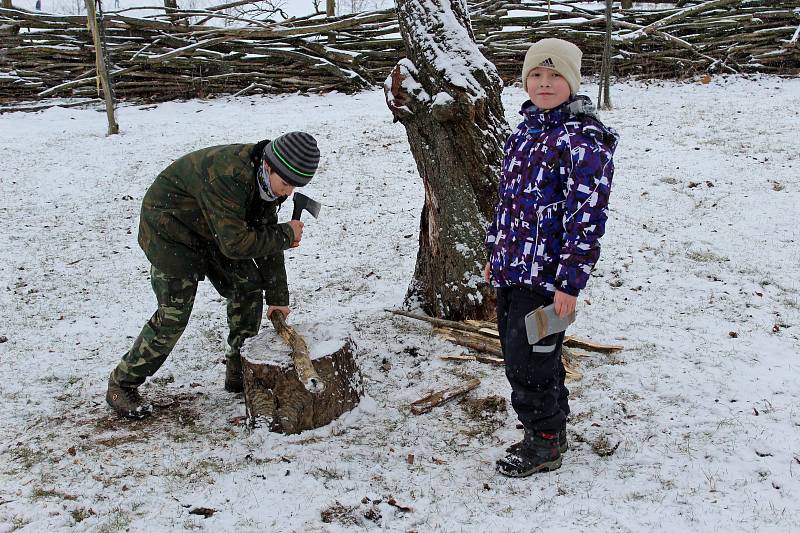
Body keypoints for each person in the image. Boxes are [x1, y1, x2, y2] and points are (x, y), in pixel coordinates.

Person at [106, 132, 320, 419]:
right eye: (287, 184)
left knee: (248, 286)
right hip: (171, 230)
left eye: (295, 186)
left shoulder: (266, 184)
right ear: (269, 167)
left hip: (215, 229)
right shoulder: (228, 176)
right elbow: (237, 244)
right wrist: (285, 234)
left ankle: (239, 371)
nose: (289, 193)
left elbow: (264, 237)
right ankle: (122, 384)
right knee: (173, 316)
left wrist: (278, 296)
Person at [484, 39, 618, 476]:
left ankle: (543, 442)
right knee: (529, 352)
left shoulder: (583, 142)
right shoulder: (523, 132)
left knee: (528, 361)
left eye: (554, 75)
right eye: (536, 76)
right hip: (512, 269)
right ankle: (553, 425)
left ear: (572, 82)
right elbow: (506, 202)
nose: (544, 84)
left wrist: (569, 284)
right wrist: (495, 253)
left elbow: (587, 218)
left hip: (547, 279)